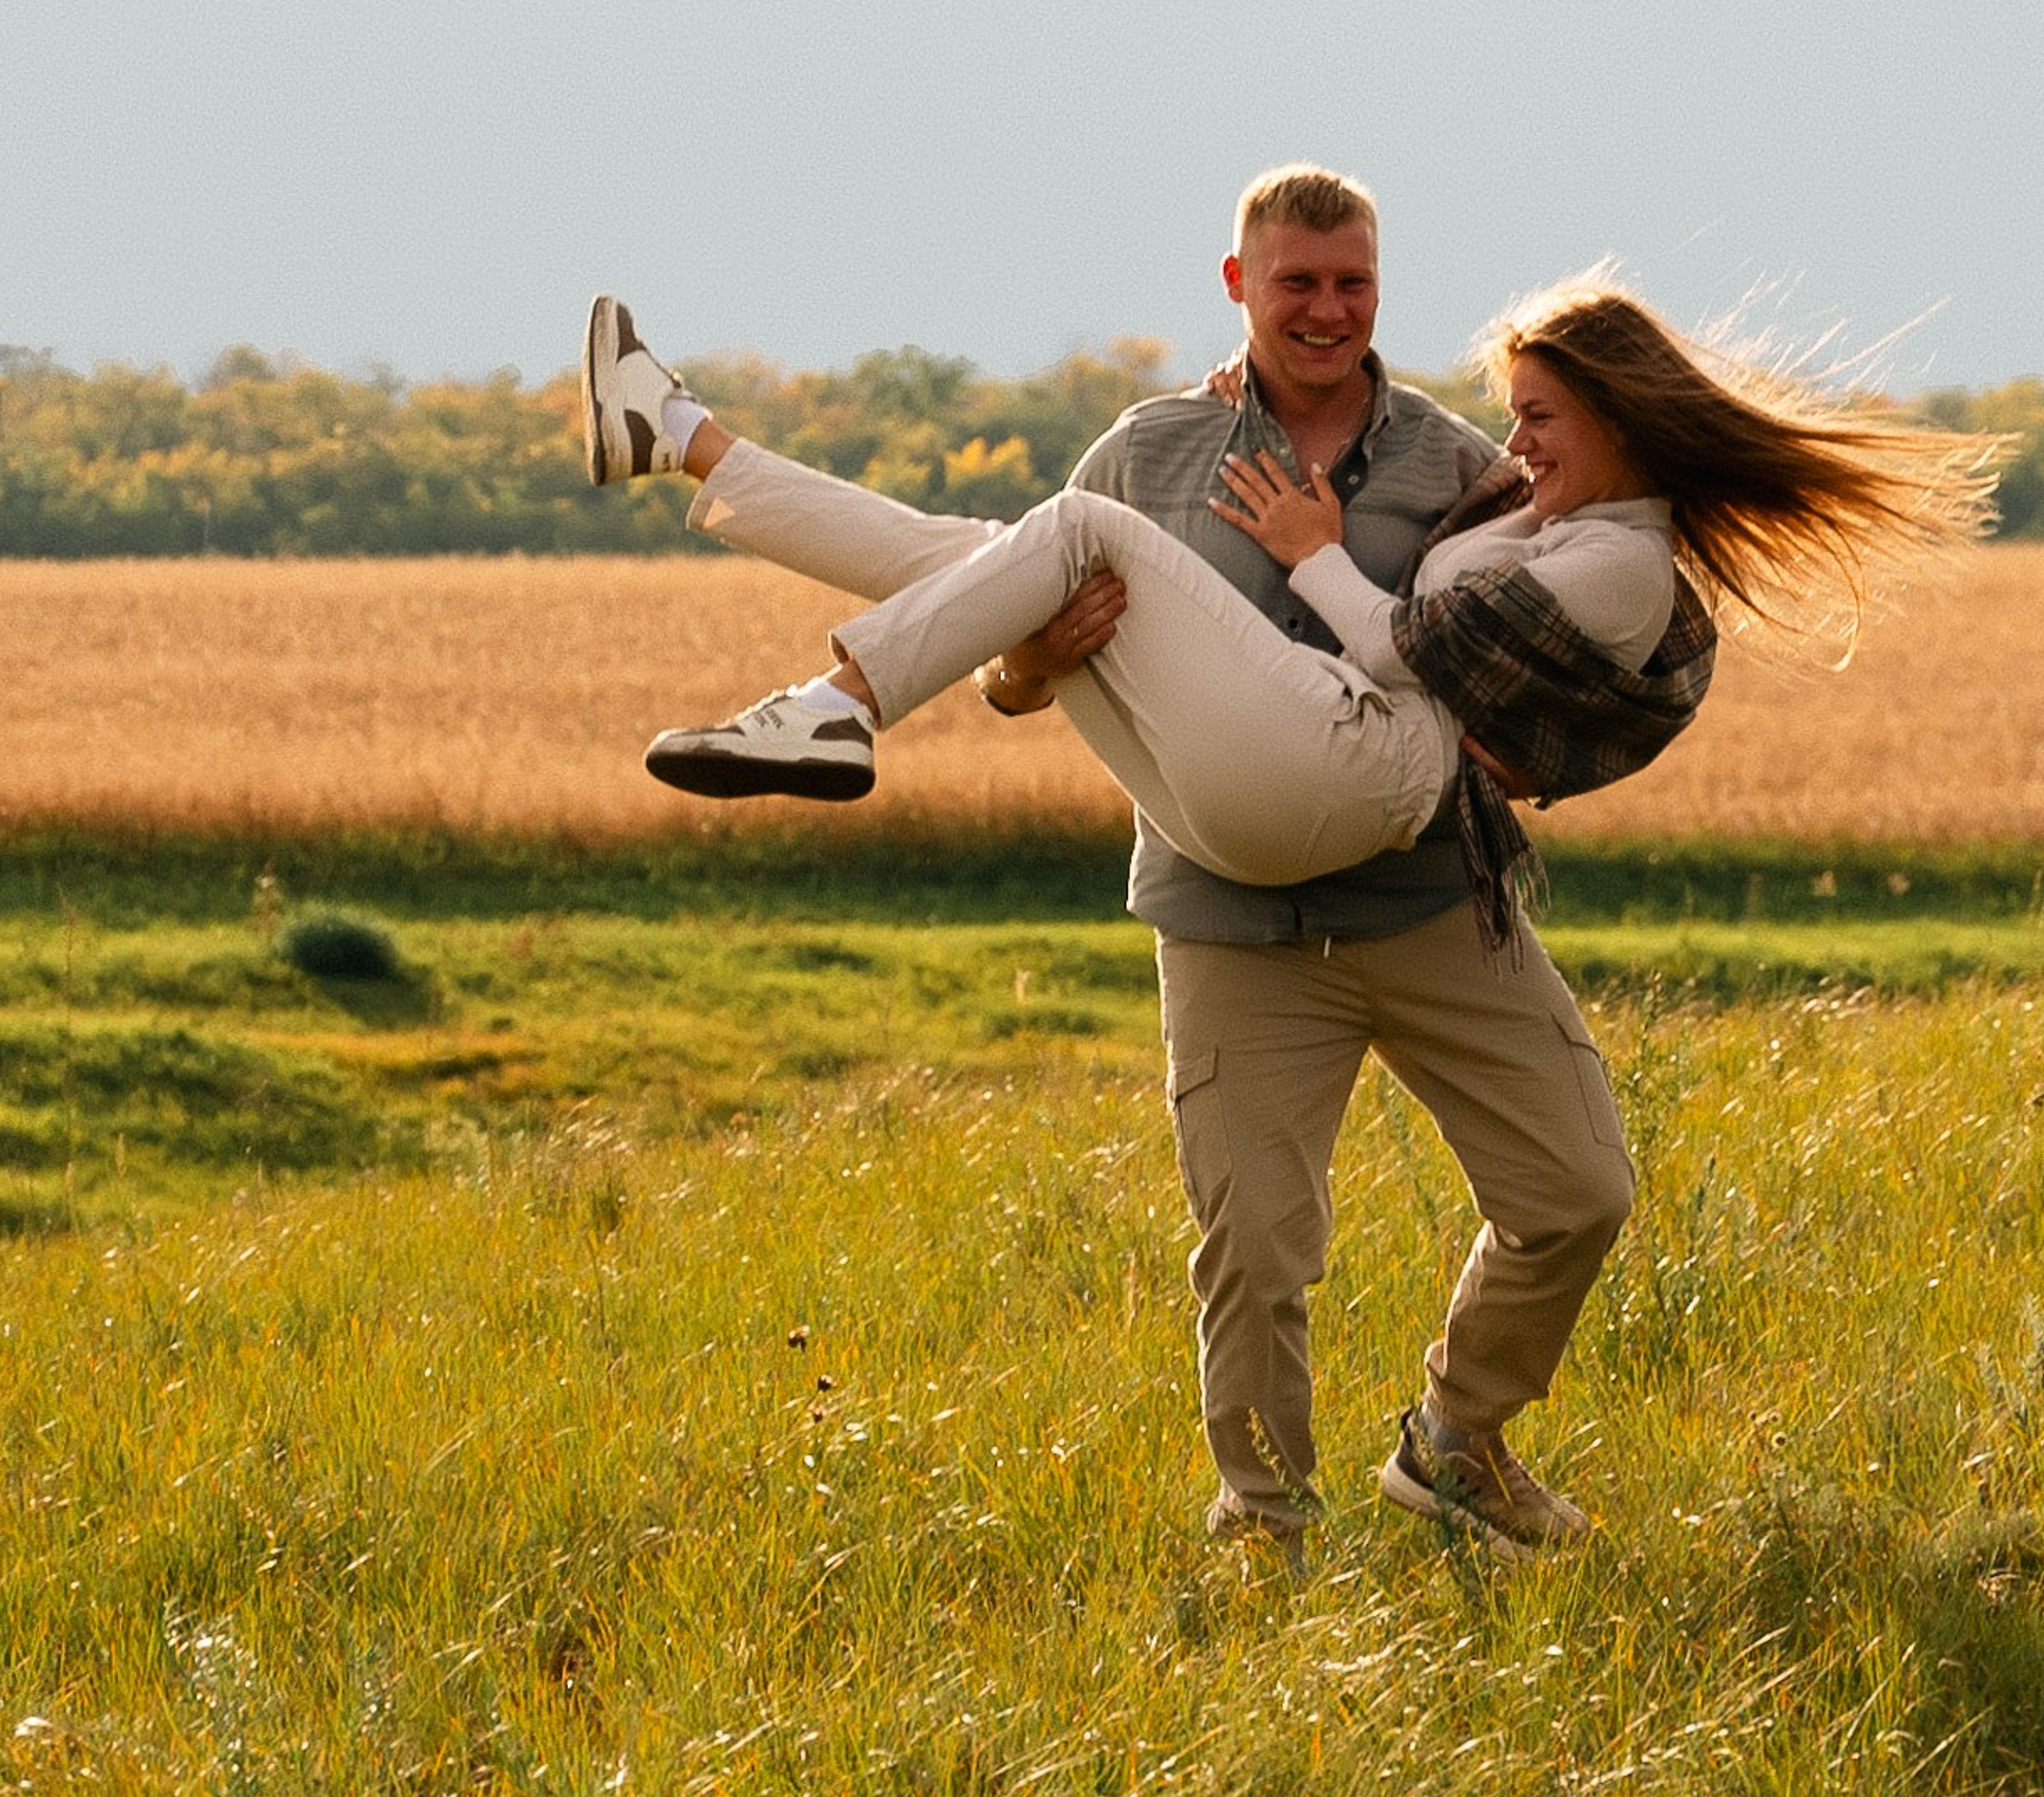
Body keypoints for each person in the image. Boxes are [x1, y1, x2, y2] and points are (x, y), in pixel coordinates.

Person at [582, 166, 1993, 1558]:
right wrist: (1026, 668)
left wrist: (1512, 703)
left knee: (1576, 1190)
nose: (1327, 309)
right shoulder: (1151, 451)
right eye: (1298, 282)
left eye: (1353, 283)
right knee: (1252, 1250)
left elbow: (1544, 636)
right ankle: (1264, 1531)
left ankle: (1459, 1444)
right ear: (1239, 285)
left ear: (1380, 291)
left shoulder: (1468, 465)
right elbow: (1004, 633)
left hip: (1423, 883)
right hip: (1228, 886)